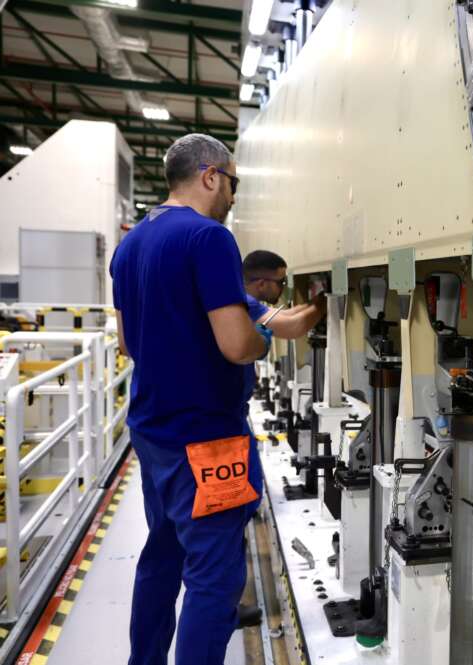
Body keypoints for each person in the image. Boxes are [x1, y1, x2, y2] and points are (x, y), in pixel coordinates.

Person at [110, 133, 269, 665]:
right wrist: (263, 338)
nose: (232, 195)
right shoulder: (209, 238)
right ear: (209, 175)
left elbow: (128, 343)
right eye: (232, 183)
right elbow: (236, 343)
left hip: (153, 430)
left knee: (163, 554)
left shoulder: (130, 244)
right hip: (207, 440)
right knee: (215, 579)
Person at [240, 249, 327, 413]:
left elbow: (285, 315)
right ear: (262, 284)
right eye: (281, 282)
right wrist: (324, 303)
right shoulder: (246, 302)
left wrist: (316, 302)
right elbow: (294, 327)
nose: (283, 287)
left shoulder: (246, 299)